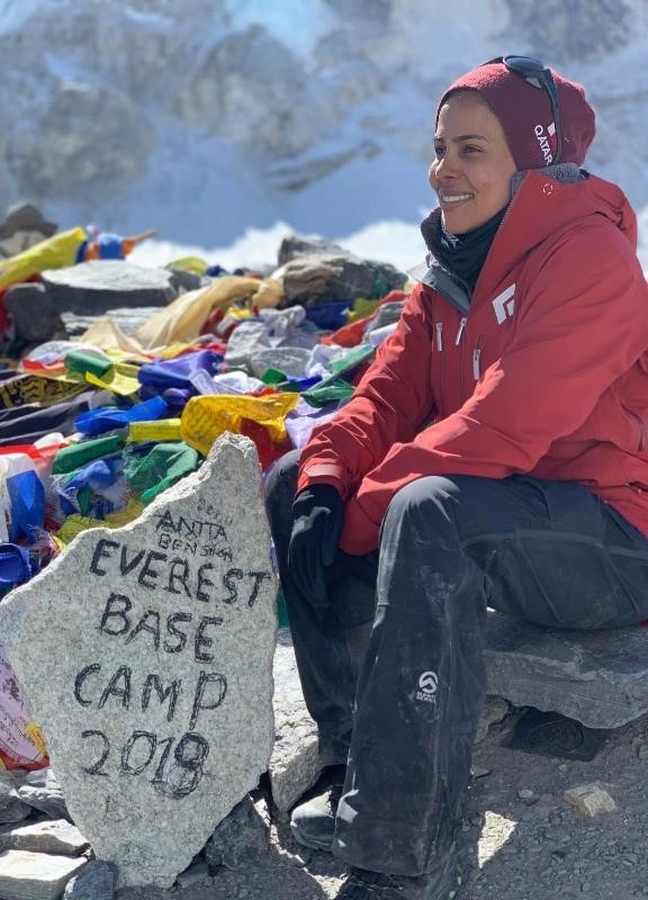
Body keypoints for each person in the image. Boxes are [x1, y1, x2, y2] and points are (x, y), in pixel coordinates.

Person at [264, 55, 648, 900]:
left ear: (534, 158)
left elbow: (502, 429)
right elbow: (381, 401)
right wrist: (328, 482)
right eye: (439, 148)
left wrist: (362, 514)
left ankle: (404, 851)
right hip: (507, 521)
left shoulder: (591, 263)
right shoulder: (447, 274)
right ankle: (351, 767)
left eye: (471, 148)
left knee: (427, 506)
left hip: (613, 545)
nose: (443, 169)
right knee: (298, 481)